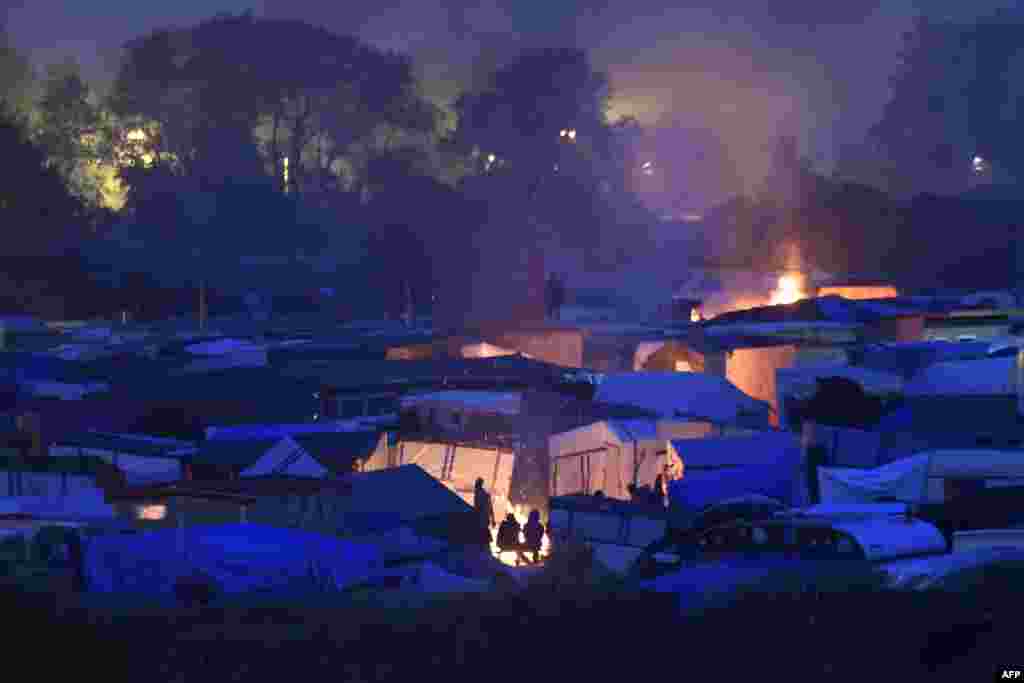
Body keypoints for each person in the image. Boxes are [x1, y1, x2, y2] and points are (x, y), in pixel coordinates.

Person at [474, 478, 495, 548]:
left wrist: (492, 519)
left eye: (476, 483)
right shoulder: (484, 494)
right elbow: (490, 508)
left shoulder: (480, 493)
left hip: (481, 518)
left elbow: (479, 506)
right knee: (483, 534)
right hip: (484, 518)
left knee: (482, 535)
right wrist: (493, 519)